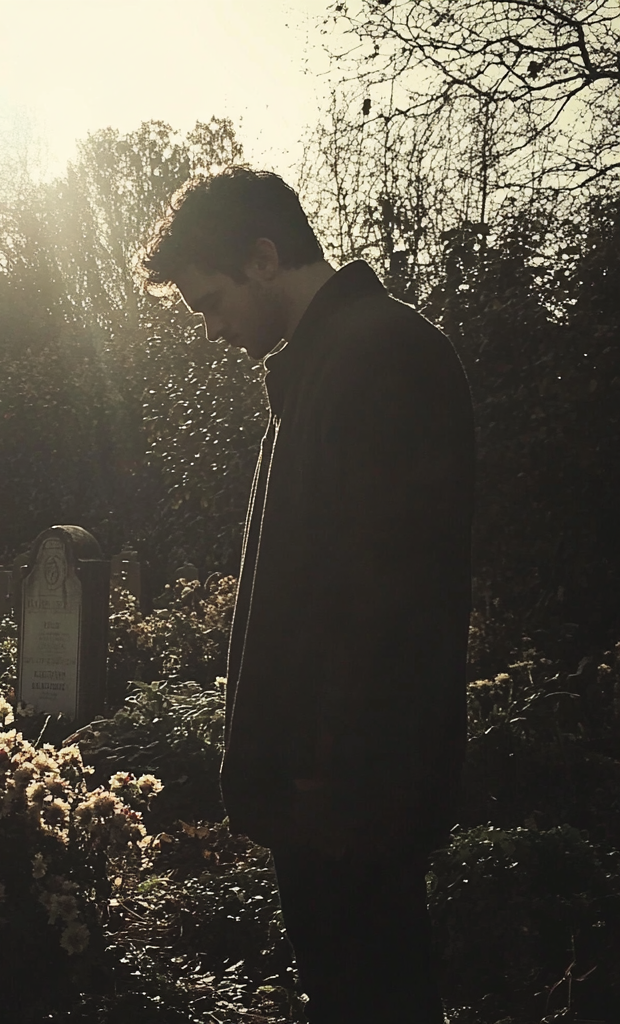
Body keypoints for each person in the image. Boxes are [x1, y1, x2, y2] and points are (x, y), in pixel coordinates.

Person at [141, 167, 475, 1023]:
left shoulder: (385, 355)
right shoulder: (328, 363)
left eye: (210, 302)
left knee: (379, 998)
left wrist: (325, 771)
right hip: (326, 786)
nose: (211, 330)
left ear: (262, 258)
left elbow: (394, 591)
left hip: (354, 787)